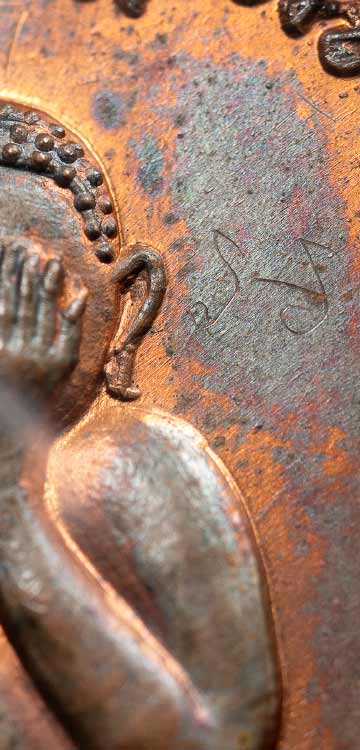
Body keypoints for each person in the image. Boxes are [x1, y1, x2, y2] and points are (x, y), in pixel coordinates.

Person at [0, 101, 280, 750]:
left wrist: (8, 484)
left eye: (23, 290)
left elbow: (218, 740)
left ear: (127, 304)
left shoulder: (136, 463)